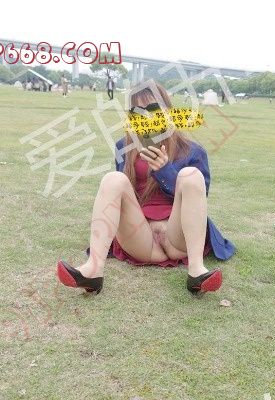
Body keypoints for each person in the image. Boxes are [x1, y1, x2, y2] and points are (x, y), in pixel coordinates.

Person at [56, 83, 235, 296]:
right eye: (138, 111)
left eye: (153, 108)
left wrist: (164, 170)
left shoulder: (192, 150)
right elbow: (123, 197)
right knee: (114, 179)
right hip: (142, 240)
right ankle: (93, 270)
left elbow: (198, 198)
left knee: (191, 175)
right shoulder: (124, 147)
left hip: (178, 238)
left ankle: (196, 270)